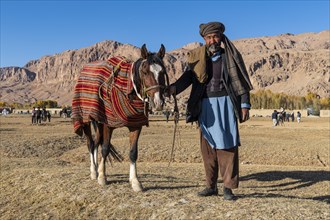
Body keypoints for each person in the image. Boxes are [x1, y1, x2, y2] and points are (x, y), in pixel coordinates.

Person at [166, 22, 253, 200]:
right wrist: (173, 89)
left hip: (226, 103)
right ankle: (210, 186)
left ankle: (228, 188)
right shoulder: (198, 59)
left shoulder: (231, 56)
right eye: (208, 38)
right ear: (204, 40)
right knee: (208, 148)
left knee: (227, 146)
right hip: (205, 105)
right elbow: (188, 78)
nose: (212, 40)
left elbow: (241, 82)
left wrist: (244, 104)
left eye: (215, 36)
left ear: (220, 38)